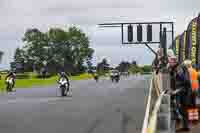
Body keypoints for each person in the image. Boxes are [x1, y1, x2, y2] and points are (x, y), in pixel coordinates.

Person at [174, 62, 192, 131]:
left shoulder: (184, 76)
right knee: (182, 109)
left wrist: (177, 90)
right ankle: (185, 126)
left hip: (185, 95)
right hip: (182, 94)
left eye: (178, 69)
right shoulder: (180, 75)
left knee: (184, 110)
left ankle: (186, 126)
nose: (177, 71)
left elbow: (187, 85)